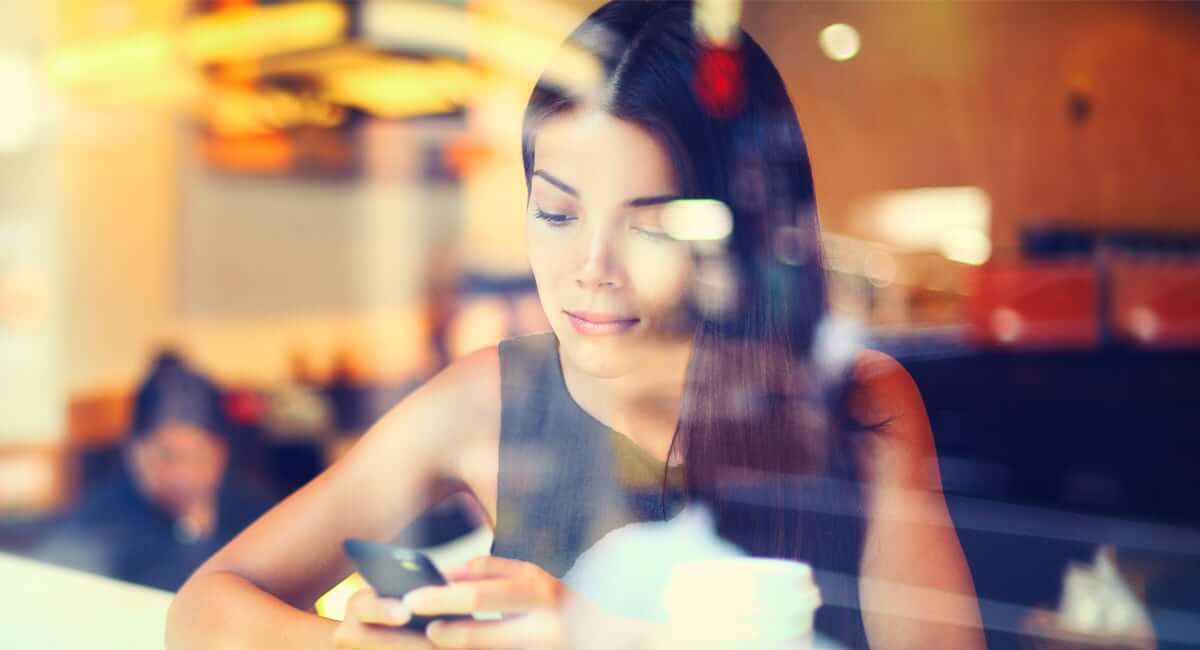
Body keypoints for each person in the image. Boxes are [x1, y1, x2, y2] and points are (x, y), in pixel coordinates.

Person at [167, 2, 984, 648]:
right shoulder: (491, 399)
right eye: (557, 213)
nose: (594, 267)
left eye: (649, 224)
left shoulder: (863, 404)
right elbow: (202, 611)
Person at [38, 352, 271, 592]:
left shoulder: (259, 516)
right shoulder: (96, 530)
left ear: (223, 453)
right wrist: (192, 532)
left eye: (200, 457)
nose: (183, 474)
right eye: (166, 456)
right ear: (132, 450)